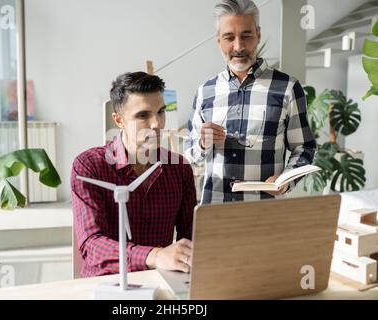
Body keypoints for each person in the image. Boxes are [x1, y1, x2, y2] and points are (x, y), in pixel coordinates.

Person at [185, 0, 316, 204]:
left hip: (265, 212)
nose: (238, 46)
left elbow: (304, 148)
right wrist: (202, 143)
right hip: (215, 210)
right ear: (218, 40)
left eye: (246, 35)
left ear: (258, 35)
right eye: (229, 37)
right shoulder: (205, 91)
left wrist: (287, 180)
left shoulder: (287, 87)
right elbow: (189, 156)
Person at [71, 72, 196, 277]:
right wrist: (155, 256)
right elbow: (92, 246)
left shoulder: (180, 168)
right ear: (119, 120)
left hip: (161, 280)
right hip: (106, 284)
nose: (156, 124)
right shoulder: (89, 167)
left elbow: (191, 238)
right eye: (143, 115)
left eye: (161, 112)